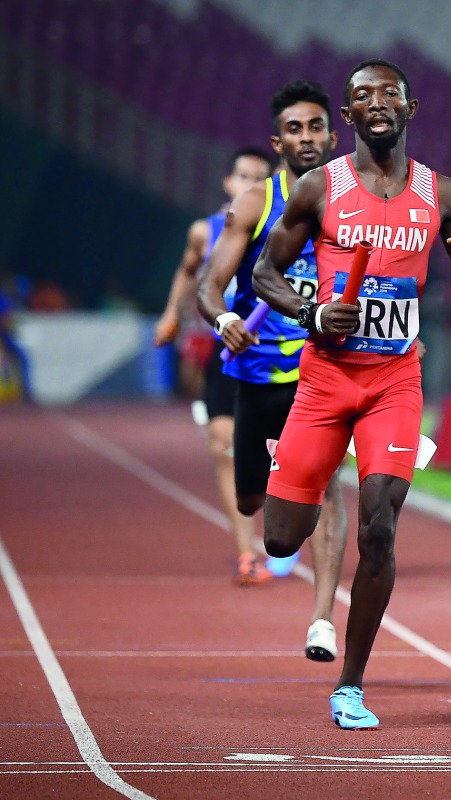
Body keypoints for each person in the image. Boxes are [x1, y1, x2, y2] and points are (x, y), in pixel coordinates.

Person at [250, 59, 451, 729]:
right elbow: (264, 273)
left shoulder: (441, 194)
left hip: (395, 382)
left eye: (388, 94)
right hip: (327, 379)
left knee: (380, 526)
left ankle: (351, 684)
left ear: (409, 109)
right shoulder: (318, 188)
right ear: (350, 117)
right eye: (362, 96)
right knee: (281, 540)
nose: (377, 104)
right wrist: (311, 314)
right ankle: (292, 481)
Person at [197, 80, 348, 660]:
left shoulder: (354, 200)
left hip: (323, 370)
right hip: (258, 373)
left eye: (315, 128)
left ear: (334, 136)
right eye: (294, 129)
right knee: (252, 503)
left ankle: (321, 619)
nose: (306, 138)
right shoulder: (257, 202)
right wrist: (221, 321)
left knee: (328, 488)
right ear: (277, 140)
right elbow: (211, 289)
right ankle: (278, 501)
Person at [153, 147, 273, 586]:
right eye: (243, 176)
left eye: (259, 178)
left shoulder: (285, 222)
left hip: (277, 353)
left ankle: (284, 531)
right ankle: (247, 553)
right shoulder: (204, 231)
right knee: (223, 444)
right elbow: (188, 271)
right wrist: (171, 313)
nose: (249, 185)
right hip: (224, 351)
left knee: (280, 453)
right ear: (228, 182)